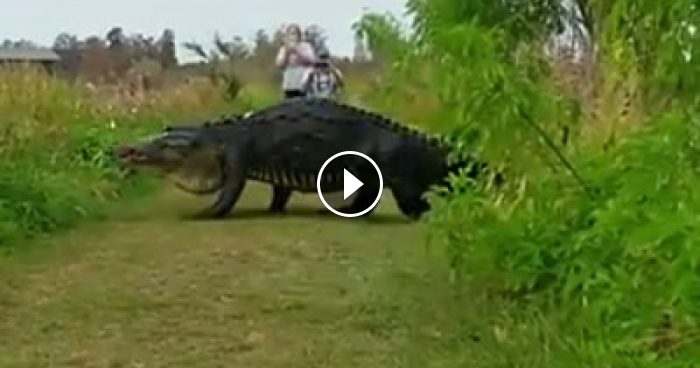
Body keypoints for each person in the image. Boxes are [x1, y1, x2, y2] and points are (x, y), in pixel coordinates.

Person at [275, 24, 317, 99]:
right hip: (289, 81)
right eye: (290, 33)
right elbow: (279, 64)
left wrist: (297, 51)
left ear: (299, 35)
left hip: (303, 80)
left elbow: (312, 60)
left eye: (294, 33)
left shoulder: (306, 46)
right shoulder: (283, 48)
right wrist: (287, 53)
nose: (292, 36)